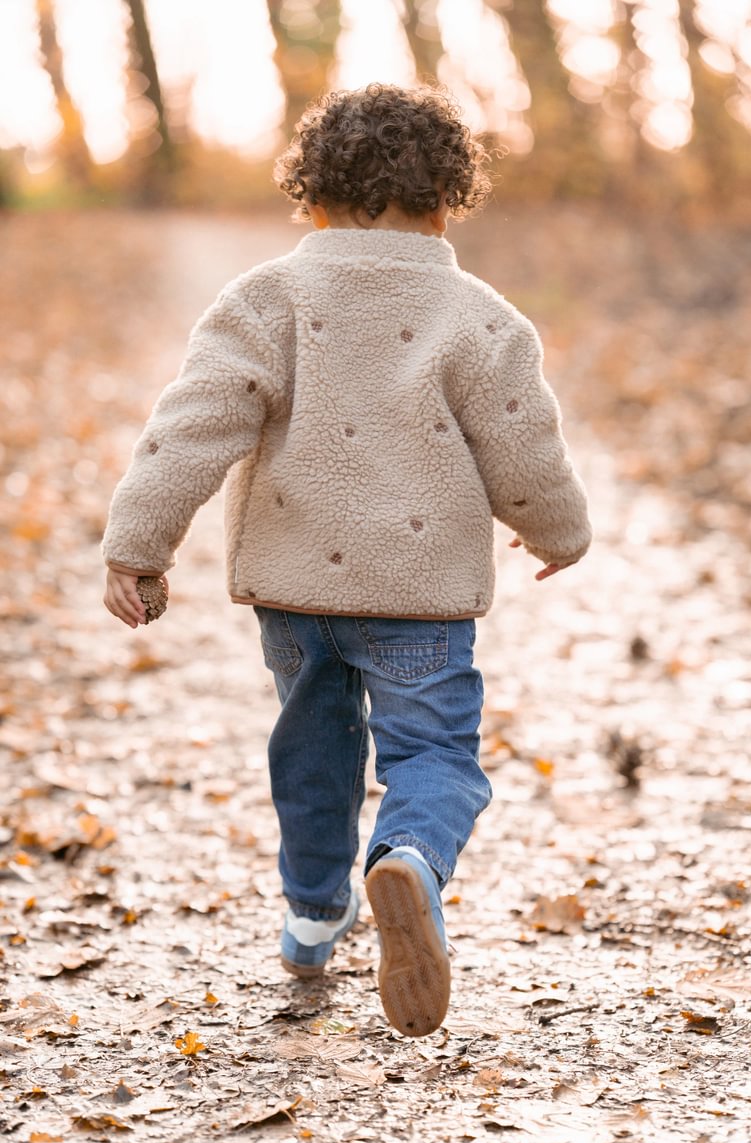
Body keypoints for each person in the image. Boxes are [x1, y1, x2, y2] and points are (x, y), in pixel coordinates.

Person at [102, 83, 591, 1038]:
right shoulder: (482, 318)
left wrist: (139, 547)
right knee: (435, 755)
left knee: (314, 747)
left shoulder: (265, 300)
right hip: (420, 599)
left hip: (296, 599)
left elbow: (192, 425)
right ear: (447, 202)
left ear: (313, 199)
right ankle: (408, 858)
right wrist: (558, 533)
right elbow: (524, 446)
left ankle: (313, 916)